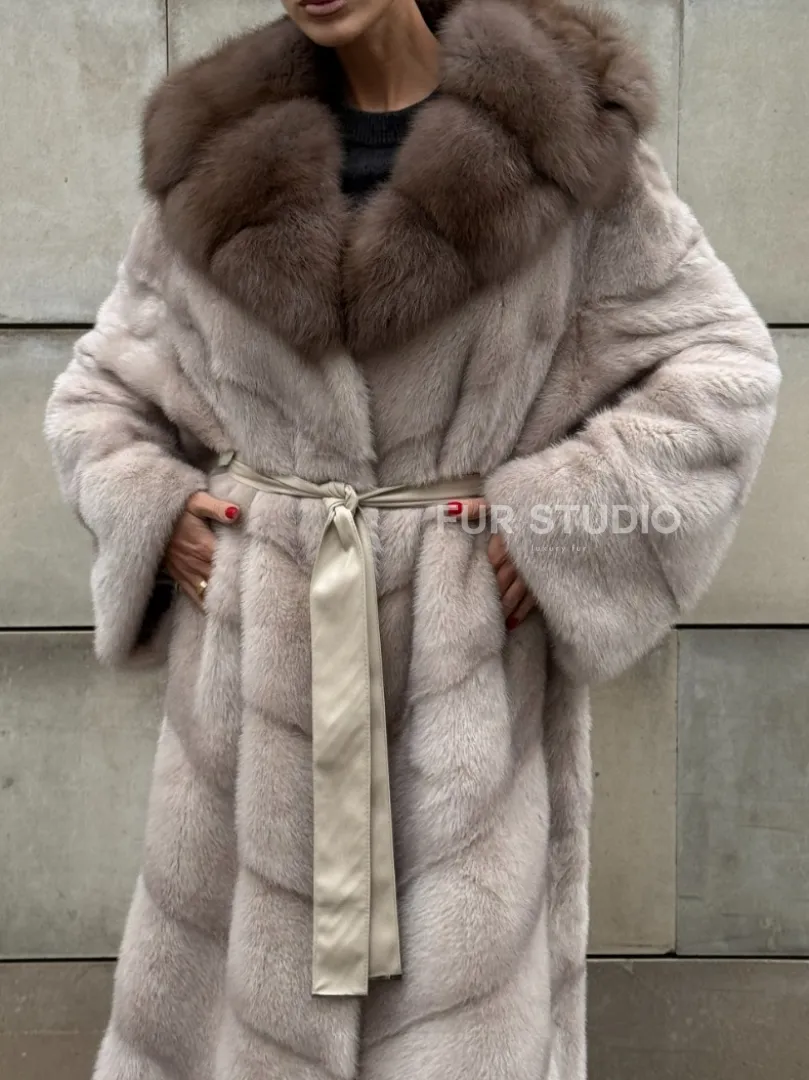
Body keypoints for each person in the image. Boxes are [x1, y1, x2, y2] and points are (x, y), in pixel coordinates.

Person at [44, 1, 780, 1077]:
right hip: (256, 706)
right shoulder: (210, 163)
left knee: (453, 1023)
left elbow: (723, 370)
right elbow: (97, 394)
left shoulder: (559, 147)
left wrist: (558, 522)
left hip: (457, 691)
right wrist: (153, 514)